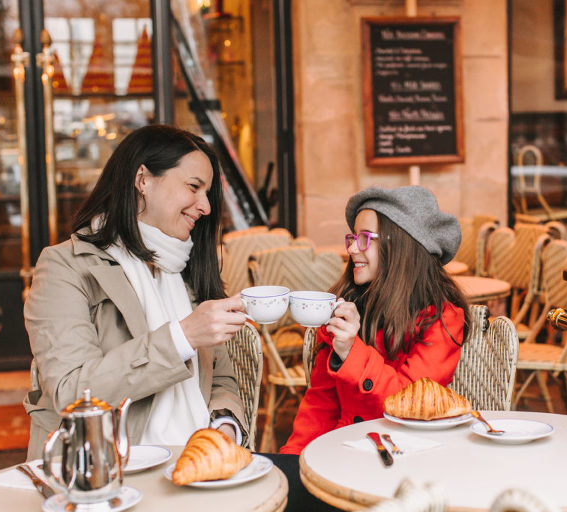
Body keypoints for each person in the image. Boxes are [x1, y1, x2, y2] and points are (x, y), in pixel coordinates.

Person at [23, 124, 251, 459]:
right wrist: (181, 338)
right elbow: (72, 393)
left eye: (207, 194)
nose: (205, 207)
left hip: (195, 464)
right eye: (194, 187)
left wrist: (223, 428)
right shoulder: (64, 266)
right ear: (143, 180)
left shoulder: (188, 267)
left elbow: (221, 378)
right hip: (103, 469)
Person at [280, 185, 470, 454]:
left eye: (366, 238)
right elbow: (320, 404)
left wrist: (351, 352)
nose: (353, 249)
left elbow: (408, 402)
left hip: (406, 456)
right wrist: (292, 464)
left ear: (402, 246)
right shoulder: (343, 308)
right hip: (342, 454)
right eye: (353, 238)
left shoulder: (442, 320)